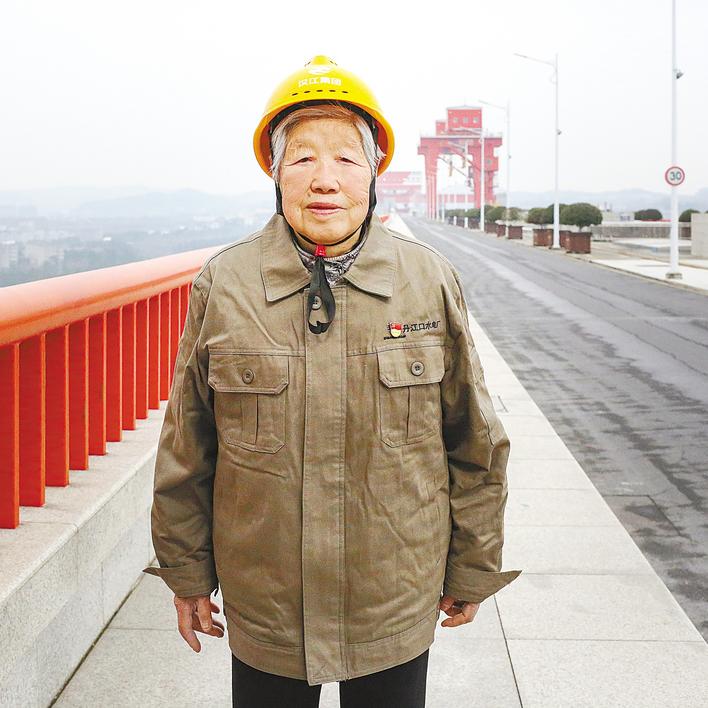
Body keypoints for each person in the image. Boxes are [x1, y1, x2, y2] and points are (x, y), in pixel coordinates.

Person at [143, 55, 522, 708]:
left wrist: (473, 565)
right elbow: (187, 446)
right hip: (267, 602)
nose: (325, 179)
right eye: (302, 158)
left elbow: (476, 441)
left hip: (393, 596)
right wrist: (187, 573)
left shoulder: (427, 280)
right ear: (275, 174)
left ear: (374, 174)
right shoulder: (225, 285)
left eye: (347, 158)